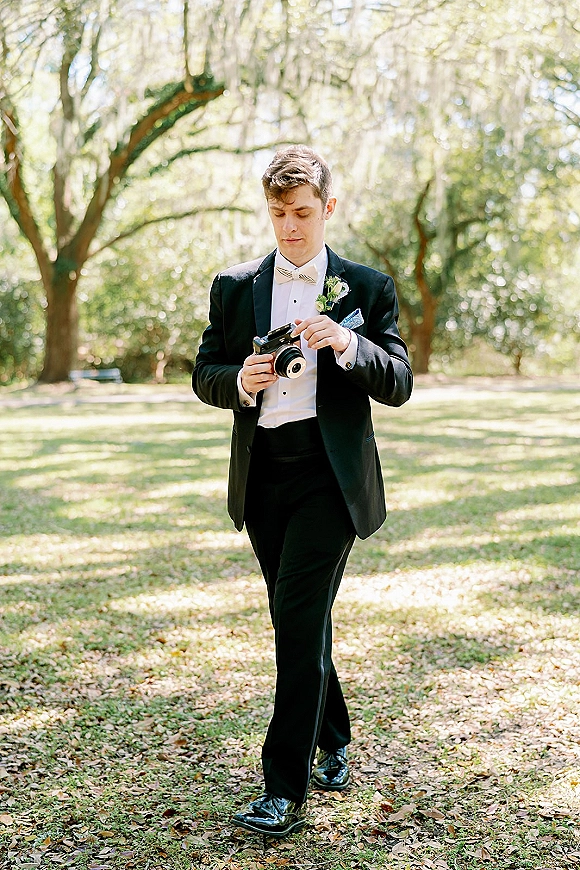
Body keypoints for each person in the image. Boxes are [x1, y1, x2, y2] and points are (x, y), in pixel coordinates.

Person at [192, 145, 413, 838]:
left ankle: (282, 788)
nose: (291, 227)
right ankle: (336, 739)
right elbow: (204, 371)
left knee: (294, 621)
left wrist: (346, 347)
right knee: (300, 620)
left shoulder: (364, 287)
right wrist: (239, 380)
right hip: (263, 479)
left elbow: (399, 380)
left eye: (303, 213)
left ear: (329, 209)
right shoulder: (234, 286)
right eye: (279, 213)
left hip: (330, 479)